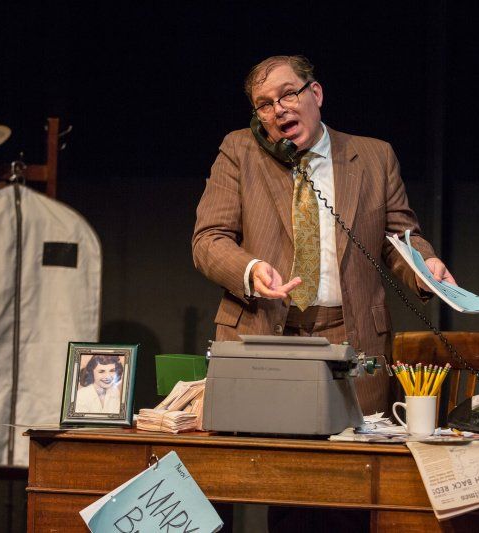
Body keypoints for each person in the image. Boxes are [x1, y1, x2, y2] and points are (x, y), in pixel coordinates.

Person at [193, 55, 456, 532]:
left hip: (350, 341)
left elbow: (400, 236)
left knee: (345, 497)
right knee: (262, 484)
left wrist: (424, 264)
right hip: (263, 336)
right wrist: (250, 270)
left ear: (316, 94)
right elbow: (208, 240)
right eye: (264, 104)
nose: (278, 110)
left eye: (288, 94)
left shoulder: (373, 156)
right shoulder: (240, 151)